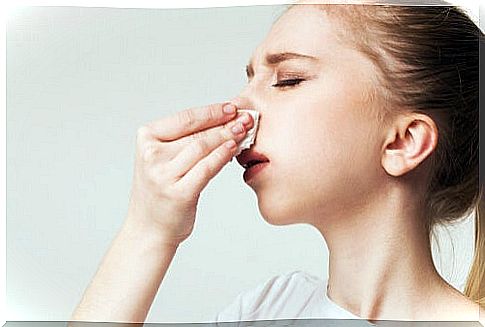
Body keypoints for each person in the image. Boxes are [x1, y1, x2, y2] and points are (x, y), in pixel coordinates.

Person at [69, 0, 484, 324]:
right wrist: (149, 231)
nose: (238, 109)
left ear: (403, 142)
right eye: (248, 78)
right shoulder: (267, 310)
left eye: (288, 80)